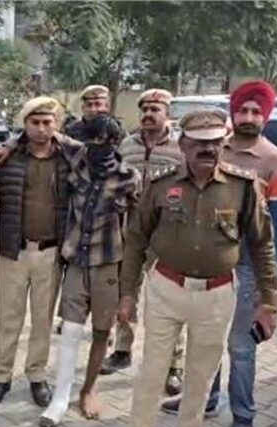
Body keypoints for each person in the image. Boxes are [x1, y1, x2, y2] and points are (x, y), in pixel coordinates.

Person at [118, 109, 277, 427]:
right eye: (199, 143)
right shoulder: (161, 186)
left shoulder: (242, 186)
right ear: (183, 145)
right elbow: (136, 239)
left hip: (217, 295)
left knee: (201, 376)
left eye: (215, 143)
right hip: (166, 289)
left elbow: (262, 245)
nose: (208, 149)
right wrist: (127, 293)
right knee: (152, 374)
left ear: (223, 143)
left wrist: (268, 301)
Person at [161, 81, 277, 427]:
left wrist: (267, 291)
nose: (249, 116)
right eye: (243, 110)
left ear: (266, 117)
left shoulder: (276, 164)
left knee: (240, 345)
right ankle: (204, 401)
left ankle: (243, 413)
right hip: (210, 263)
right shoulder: (215, 149)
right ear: (233, 112)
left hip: (247, 269)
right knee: (204, 339)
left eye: (256, 111)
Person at [40, 115, 140, 427]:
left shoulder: (129, 178)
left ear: (111, 142)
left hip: (108, 264)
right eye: (89, 142)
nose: (92, 147)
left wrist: (130, 282)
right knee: (70, 331)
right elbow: (49, 133)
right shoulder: (77, 159)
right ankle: (60, 398)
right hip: (75, 263)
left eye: (98, 142)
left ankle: (88, 390)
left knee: (101, 332)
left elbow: (138, 229)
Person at [0, 97, 73, 408]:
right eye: (34, 122)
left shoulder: (68, 157)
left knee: (42, 319)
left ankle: (36, 375)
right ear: (24, 125)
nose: (41, 128)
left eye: (47, 122)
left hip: (51, 253)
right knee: (9, 317)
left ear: (56, 125)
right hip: (15, 250)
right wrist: (10, 144)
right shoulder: (7, 158)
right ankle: (2, 374)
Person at [101, 88, 186, 398]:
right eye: (145, 109)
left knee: (170, 298)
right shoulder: (127, 145)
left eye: (155, 109)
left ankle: (174, 365)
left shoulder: (181, 148)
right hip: (130, 231)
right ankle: (122, 350)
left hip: (167, 234)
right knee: (125, 291)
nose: (149, 114)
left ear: (167, 114)